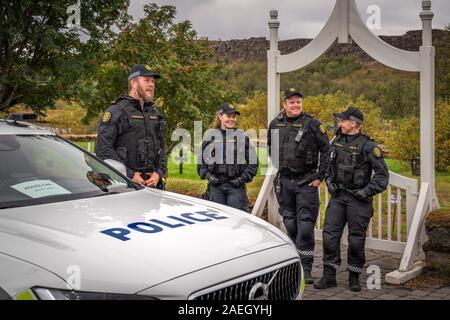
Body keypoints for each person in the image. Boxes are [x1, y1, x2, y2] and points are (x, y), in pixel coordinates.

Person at [314, 106, 389, 292]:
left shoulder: (369, 146)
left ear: (353, 123)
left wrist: (366, 191)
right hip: (338, 197)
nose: (340, 123)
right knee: (329, 235)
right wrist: (329, 182)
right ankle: (329, 276)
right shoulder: (336, 141)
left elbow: (382, 176)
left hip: (359, 200)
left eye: (343, 120)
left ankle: (354, 276)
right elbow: (329, 167)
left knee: (356, 239)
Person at [267, 88, 330, 284]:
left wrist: (320, 176)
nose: (296, 105)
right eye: (291, 102)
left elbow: (326, 150)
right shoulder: (275, 124)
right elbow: (271, 147)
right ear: (284, 104)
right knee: (290, 222)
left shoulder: (313, 124)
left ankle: (306, 266)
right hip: (285, 182)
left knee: (305, 226)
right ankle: (293, 260)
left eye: (298, 102)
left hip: (306, 182)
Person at [95, 64, 167, 188]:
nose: (151, 85)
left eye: (153, 81)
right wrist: (130, 175)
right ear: (134, 83)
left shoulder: (154, 113)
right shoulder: (117, 111)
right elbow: (103, 150)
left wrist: (159, 173)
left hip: (153, 186)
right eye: (146, 80)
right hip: (124, 185)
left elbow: (162, 147)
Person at [197, 102, 258, 212]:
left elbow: (253, 163)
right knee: (216, 221)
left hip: (236, 187)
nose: (232, 119)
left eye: (234, 116)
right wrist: (209, 177)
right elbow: (200, 162)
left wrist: (242, 179)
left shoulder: (241, 137)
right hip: (216, 187)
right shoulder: (210, 137)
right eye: (228, 116)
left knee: (238, 221)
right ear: (220, 116)